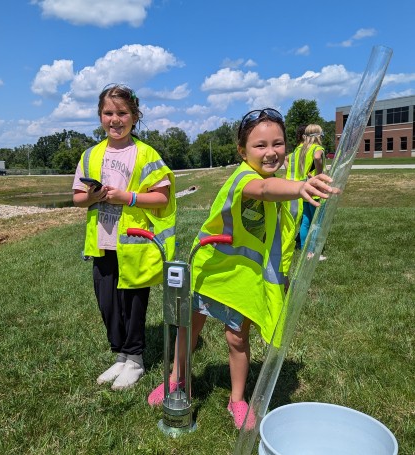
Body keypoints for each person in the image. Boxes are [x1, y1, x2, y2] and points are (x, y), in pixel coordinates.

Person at [147, 109, 334, 429]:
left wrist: (282, 274)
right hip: (211, 270)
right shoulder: (243, 178)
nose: (271, 151)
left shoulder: (282, 186)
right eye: (260, 145)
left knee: (237, 339)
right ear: (242, 151)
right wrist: (301, 186)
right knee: (188, 330)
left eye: (278, 143)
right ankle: (176, 379)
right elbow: (261, 191)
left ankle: (237, 399)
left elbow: (282, 238)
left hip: (243, 280)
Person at [72, 84, 176, 390]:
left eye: (122, 113)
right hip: (102, 243)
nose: (115, 119)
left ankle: (136, 361)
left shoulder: (145, 154)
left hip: (134, 244)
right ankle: (119, 356)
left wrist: (126, 197)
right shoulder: (90, 155)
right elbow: (78, 198)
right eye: (108, 113)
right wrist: (95, 196)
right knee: (107, 303)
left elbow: (162, 198)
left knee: (132, 303)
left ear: (134, 116)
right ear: (100, 116)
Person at [285, 124, 326, 258]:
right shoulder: (317, 148)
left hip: (304, 189)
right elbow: (318, 157)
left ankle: (304, 250)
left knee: (306, 221)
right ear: (318, 136)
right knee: (316, 222)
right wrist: (319, 175)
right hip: (314, 189)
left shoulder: (300, 149)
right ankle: (312, 252)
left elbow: (288, 159)